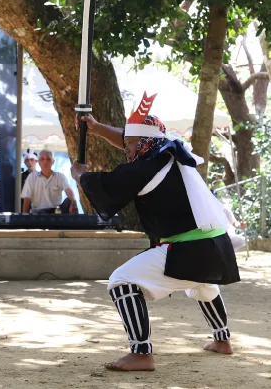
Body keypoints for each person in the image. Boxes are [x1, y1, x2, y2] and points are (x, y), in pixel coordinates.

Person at [72, 92, 240, 372]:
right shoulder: (170, 149)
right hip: (214, 246)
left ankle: (141, 353)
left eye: (130, 145)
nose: (125, 149)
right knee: (203, 283)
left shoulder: (146, 167)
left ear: (144, 144)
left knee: (120, 281)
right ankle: (222, 340)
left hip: (187, 250)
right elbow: (131, 138)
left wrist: (80, 175)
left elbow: (112, 183)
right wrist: (97, 128)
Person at [21, 149, 78, 214]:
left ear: (53, 162)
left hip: (56, 211)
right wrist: (24, 216)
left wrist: (74, 202)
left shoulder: (60, 176)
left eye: (48, 159)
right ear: (39, 162)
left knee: (71, 201)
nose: (45, 162)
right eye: (42, 159)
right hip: (38, 212)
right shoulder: (32, 177)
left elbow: (69, 191)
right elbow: (27, 198)